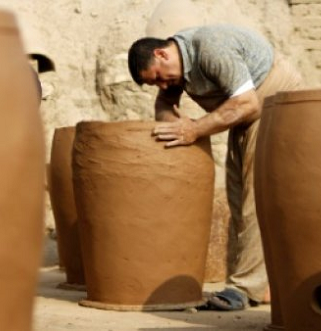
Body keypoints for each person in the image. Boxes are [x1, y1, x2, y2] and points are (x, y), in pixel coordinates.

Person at [127, 24, 303, 311]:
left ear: (161, 54)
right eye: (154, 84)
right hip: (243, 113)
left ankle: (246, 289)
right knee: (237, 197)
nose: (161, 85)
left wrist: (194, 130)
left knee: (254, 197)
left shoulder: (210, 47)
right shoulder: (175, 73)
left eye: (158, 78)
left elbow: (247, 104)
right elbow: (165, 105)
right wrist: (170, 131)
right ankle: (260, 283)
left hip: (271, 101)